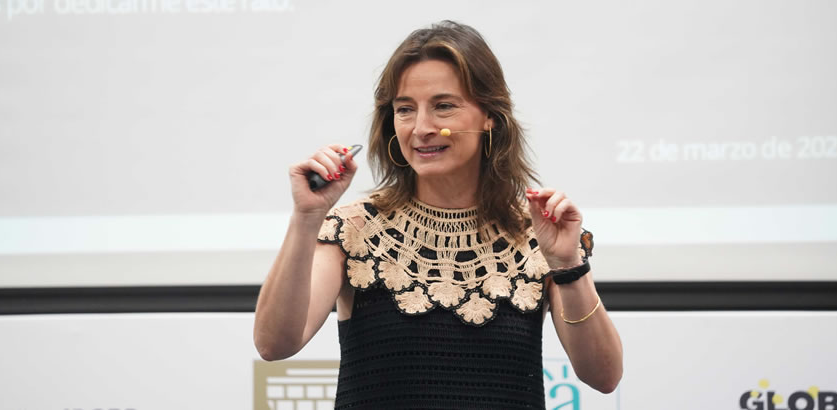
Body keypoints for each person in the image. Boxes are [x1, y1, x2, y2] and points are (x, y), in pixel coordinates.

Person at [254, 20, 623, 409]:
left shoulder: (537, 232)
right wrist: (306, 217)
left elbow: (604, 376)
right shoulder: (354, 228)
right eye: (405, 109)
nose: (421, 128)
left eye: (443, 106)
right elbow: (273, 344)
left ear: (489, 115)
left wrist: (568, 267)